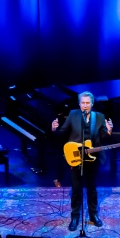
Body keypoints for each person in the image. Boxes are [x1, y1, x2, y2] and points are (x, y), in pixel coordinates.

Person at [51, 91, 113, 230]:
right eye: (83, 103)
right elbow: (62, 134)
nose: (85, 106)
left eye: (87, 103)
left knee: (92, 188)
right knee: (76, 189)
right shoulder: (73, 114)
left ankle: (93, 215)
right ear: (79, 104)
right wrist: (54, 130)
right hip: (76, 158)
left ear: (92, 104)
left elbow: (104, 138)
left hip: (93, 158)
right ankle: (75, 217)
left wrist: (108, 131)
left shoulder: (99, 117)